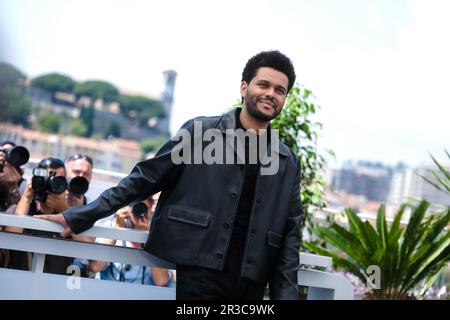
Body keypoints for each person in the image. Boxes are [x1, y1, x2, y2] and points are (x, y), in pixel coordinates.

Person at [38, 50, 303, 300]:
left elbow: (290, 235)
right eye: (264, 85)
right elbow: (145, 178)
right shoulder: (200, 133)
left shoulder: (287, 161)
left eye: (280, 90)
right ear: (244, 87)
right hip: (199, 273)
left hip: (251, 285)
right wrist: (82, 215)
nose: (271, 94)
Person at [88, 196, 175, 287]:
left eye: (145, 207)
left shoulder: (156, 236)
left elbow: (161, 281)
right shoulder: (109, 227)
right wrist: (117, 231)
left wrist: (148, 238)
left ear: (151, 210)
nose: (140, 211)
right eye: (137, 206)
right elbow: (95, 267)